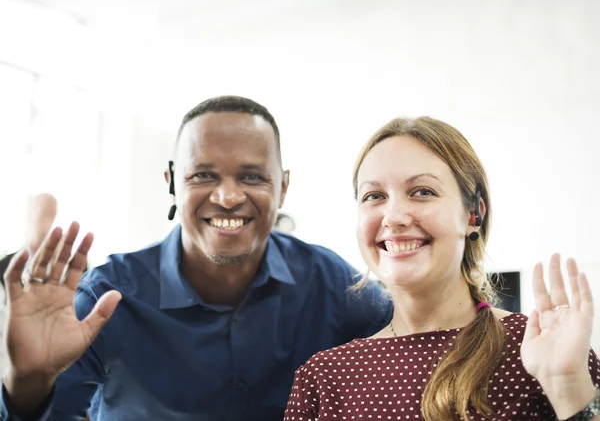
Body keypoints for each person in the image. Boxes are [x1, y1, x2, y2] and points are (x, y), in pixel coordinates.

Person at [0, 96, 392, 421]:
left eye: (252, 177)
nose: (227, 197)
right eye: (203, 175)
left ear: (283, 188)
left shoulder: (332, 283)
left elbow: (423, 333)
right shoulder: (107, 297)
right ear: (172, 183)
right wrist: (26, 383)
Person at [284, 116, 600, 420]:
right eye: (374, 195)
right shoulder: (324, 377)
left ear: (473, 213)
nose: (393, 217)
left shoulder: (543, 345)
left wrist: (568, 383)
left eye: (423, 192)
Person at [0, 193, 57, 295]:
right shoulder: (3, 266)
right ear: (29, 215)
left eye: (52, 216)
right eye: (43, 214)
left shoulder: (71, 267)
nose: (47, 223)